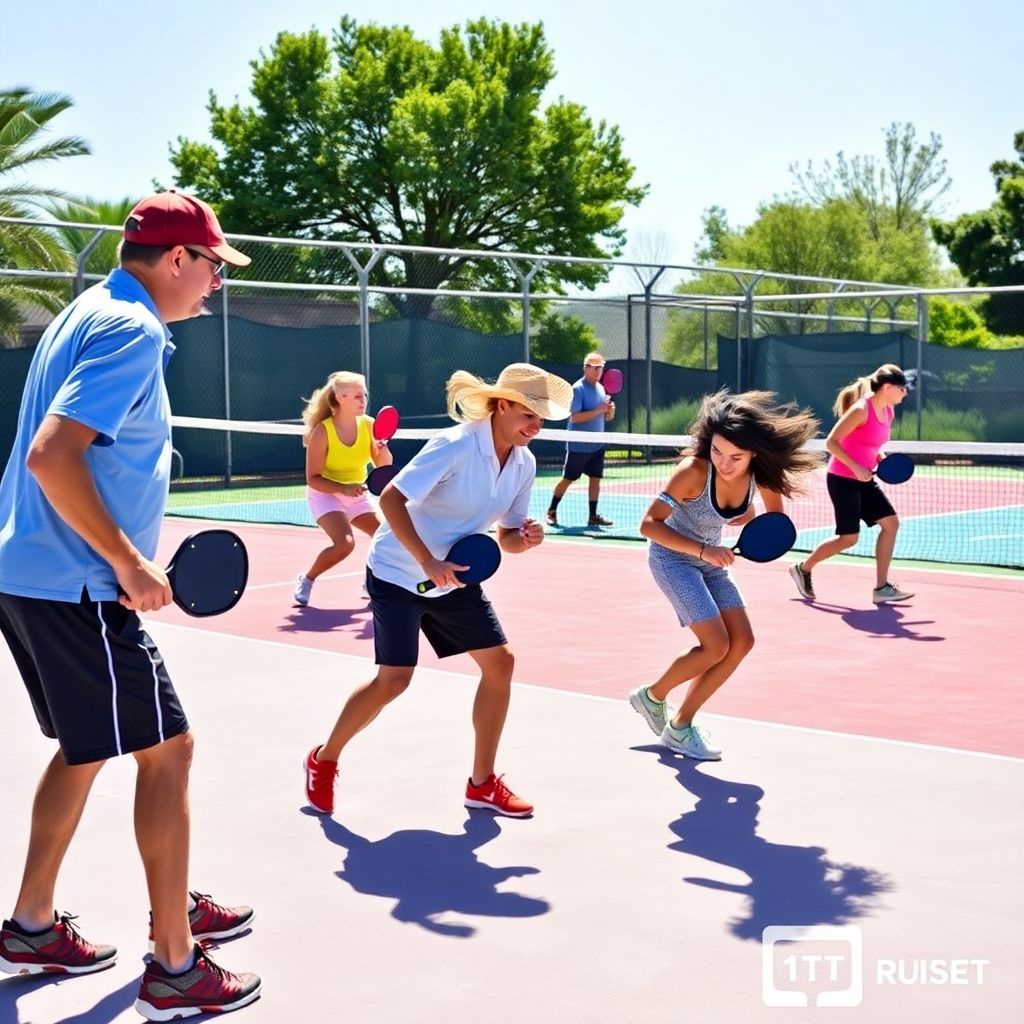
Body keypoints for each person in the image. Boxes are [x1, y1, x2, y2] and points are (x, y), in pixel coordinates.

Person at [0, 190, 261, 1019]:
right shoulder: (132, 328)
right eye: (215, 266)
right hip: (78, 585)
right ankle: (175, 964)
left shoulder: (89, 309)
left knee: (86, 748)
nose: (217, 282)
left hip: (30, 574)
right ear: (178, 259)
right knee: (171, 751)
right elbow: (53, 455)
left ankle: (34, 925)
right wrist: (131, 563)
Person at [303, 363, 572, 818]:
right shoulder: (456, 444)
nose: (536, 425)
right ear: (502, 405)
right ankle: (323, 759)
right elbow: (390, 498)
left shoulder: (523, 464)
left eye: (541, 418)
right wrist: (427, 560)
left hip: (456, 576)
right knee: (394, 681)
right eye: (529, 413)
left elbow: (505, 537)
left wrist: (523, 539)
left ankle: (482, 784)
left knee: (500, 663)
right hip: (397, 572)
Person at [629, 390, 819, 760]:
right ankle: (651, 697)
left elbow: (772, 524)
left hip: (712, 561)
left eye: (736, 456)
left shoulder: (761, 477)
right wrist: (704, 550)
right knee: (715, 645)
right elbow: (649, 524)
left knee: (742, 642)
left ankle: (680, 727)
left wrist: (747, 526)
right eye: (717, 451)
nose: (725, 463)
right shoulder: (694, 472)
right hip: (673, 559)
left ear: (754, 454)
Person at [788, 364, 915, 605]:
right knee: (849, 538)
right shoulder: (860, 410)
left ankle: (882, 587)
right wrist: (856, 467)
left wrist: (880, 458)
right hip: (842, 479)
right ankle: (803, 568)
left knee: (891, 524)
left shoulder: (888, 411)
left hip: (865, 479)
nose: (905, 393)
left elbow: (872, 444)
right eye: (902, 389)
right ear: (887, 387)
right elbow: (832, 442)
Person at [293, 371, 393, 607]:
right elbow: (313, 479)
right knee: (345, 544)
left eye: (365, 395)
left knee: (387, 538)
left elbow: (383, 467)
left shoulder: (370, 426)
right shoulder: (322, 432)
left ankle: (371, 582)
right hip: (325, 495)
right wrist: (343, 488)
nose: (364, 400)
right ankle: (307, 579)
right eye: (357, 396)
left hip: (357, 495)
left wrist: (383, 446)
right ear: (340, 398)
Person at [545, 352, 615, 528]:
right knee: (568, 479)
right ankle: (552, 510)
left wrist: (609, 410)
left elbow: (607, 418)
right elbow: (574, 418)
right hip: (579, 446)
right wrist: (599, 410)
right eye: (595, 367)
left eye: (601, 367)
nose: (599, 370)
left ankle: (593, 516)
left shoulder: (601, 388)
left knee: (595, 480)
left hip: (597, 445)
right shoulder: (577, 389)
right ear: (586, 368)